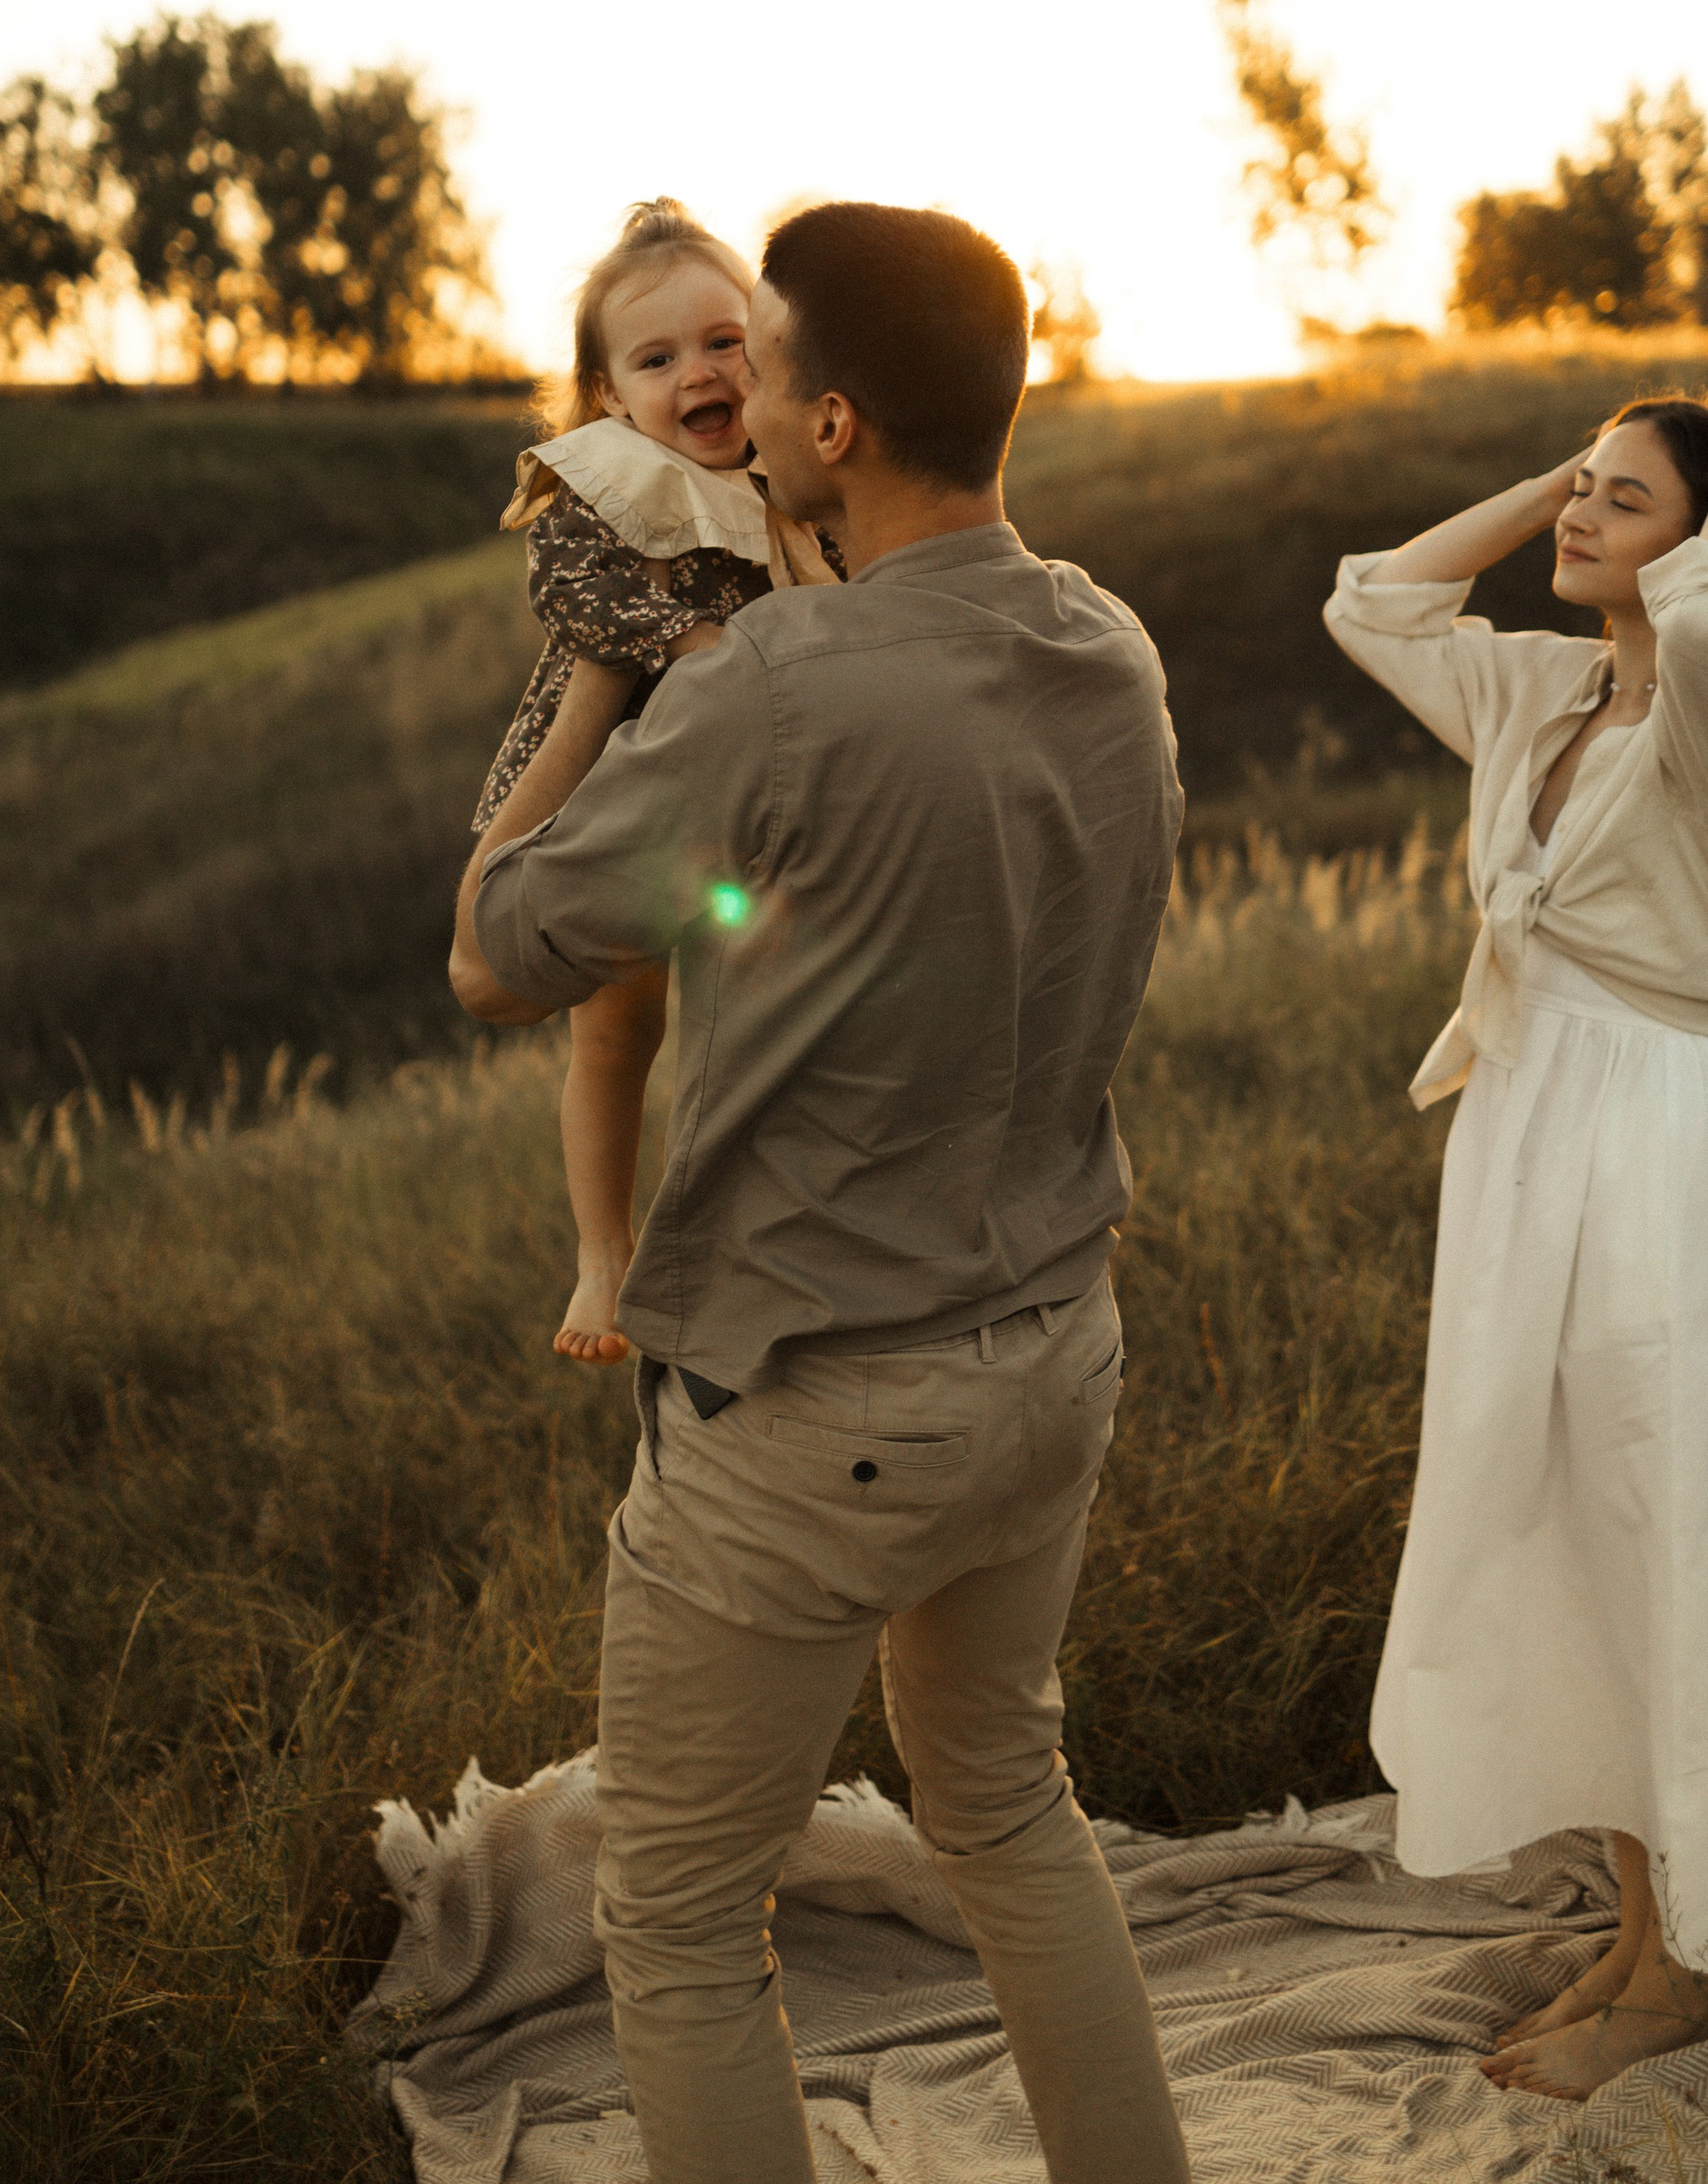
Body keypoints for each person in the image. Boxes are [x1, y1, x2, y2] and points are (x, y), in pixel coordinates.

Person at [448, 201, 1192, 2184]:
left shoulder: (768, 688)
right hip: (1052, 1351)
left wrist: (594, 667)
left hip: (812, 1406)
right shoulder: (1105, 645)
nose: (737, 396)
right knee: (1008, 1812)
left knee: (679, 1924)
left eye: (761, 364)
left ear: (835, 422)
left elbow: (495, 947)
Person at [1324, 397, 1708, 2103]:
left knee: (1667, 1525)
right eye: (1576, 490)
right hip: (1530, 1140)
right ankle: (1644, 1927)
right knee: (1571, 1529)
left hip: (1665, 1147)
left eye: (1617, 500)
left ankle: (1693, 1969)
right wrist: (1549, 492)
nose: (1580, 517)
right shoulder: (1540, 692)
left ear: (1707, 538)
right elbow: (1369, 603)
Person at [470, 197, 834, 1365]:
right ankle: (602, 1255)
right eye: (659, 357)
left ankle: (744, 1230)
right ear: (611, 396)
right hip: (592, 791)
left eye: (727, 341)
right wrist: (690, 643)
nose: (702, 373)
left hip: (734, 814)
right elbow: (573, 595)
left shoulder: (788, 485)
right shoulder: (607, 486)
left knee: (752, 1019)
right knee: (616, 1034)